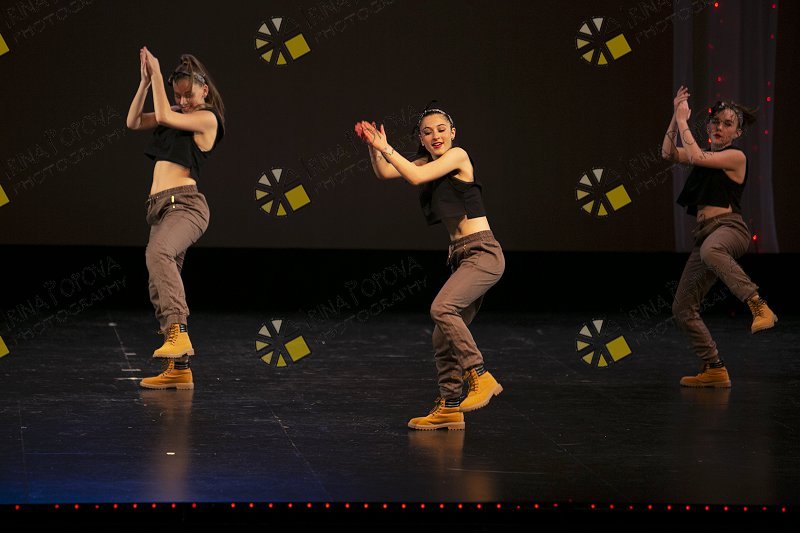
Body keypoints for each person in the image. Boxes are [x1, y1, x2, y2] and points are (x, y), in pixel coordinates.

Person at [354, 104, 505, 430]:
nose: (435, 135)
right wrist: (374, 147)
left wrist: (385, 147)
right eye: (427, 132)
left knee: (441, 308)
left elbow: (415, 177)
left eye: (441, 129)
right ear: (421, 139)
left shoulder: (458, 156)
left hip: (483, 252)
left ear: (453, 133)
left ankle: (480, 375)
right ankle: (450, 407)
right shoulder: (427, 162)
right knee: (442, 337)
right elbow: (386, 172)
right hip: (461, 257)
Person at [661, 86, 777, 388]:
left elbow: (695, 154)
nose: (719, 127)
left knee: (712, 251)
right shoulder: (707, 156)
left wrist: (684, 121)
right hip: (705, 237)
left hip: (730, 229)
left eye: (728, 124)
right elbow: (668, 152)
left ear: (737, 133)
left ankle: (758, 305)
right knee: (682, 309)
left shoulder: (735, 157)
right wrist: (675, 116)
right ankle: (714, 368)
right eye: (716, 122)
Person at [126, 47, 225, 390]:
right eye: (177, 96)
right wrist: (145, 82)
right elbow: (133, 121)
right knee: (160, 283)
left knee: (158, 254)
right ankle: (180, 369)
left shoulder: (208, 118)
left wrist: (157, 73)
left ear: (204, 91)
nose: (183, 101)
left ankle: (179, 334)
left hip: (186, 206)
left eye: (188, 95)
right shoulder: (174, 115)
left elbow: (165, 115)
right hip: (160, 208)